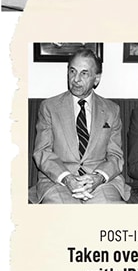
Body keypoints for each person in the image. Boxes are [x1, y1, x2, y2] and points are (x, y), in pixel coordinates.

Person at [33, 47, 130, 204]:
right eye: (72, 71)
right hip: (58, 181)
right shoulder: (49, 107)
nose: (76, 79)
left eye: (84, 73)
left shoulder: (112, 110)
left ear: (96, 79)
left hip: (100, 183)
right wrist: (68, 179)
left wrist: (98, 177)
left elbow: (116, 156)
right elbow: (42, 152)